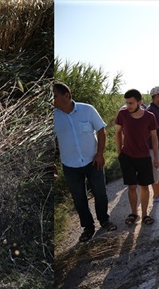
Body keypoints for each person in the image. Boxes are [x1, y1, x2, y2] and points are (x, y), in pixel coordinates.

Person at [53, 82, 117, 243]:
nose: (51, 100)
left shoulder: (87, 110)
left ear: (66, 95)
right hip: (70, 165)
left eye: (54, 96)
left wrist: (100, 154)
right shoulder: (53, 117)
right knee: (79, 198)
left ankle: (104, 220)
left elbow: (101, 130)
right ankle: (88, 228)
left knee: (100, 194)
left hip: (93, 161)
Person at [115, 89, 159, 226]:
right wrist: (119, 152)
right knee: (132, 186)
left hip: (144, 156)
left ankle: (145, 214)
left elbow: (154, 137)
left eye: (131, 103)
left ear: (139, 102)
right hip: (127, 156)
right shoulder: (122, 114)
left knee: (144, 186)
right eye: (127, 103)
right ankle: (134, 213)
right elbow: (118, 133)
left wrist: (156, 157)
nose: (128, 106)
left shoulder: (150, 116)